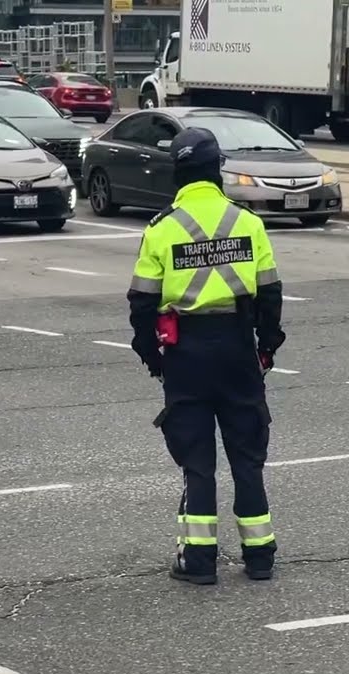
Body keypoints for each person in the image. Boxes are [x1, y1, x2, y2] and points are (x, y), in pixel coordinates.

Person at [125, 126, 286, 586]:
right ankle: (260, 557)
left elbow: (140, 303)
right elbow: (270, 293)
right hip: (238, 349)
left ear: (178, 173)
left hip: (186, 353)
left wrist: (152, 356)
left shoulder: (162, 229)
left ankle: (198, 561)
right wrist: (266, 348)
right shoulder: (247, 222)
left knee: (198, 462)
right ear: (217, 169)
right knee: (247, 458)